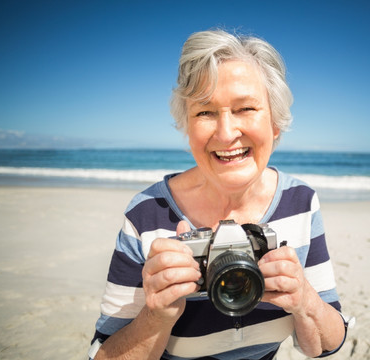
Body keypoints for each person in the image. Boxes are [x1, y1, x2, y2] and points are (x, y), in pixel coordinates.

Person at [89, 29, 351, 360]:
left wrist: (304, 300)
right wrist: (156, 316)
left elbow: (325, 346)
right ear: (187, 126)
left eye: (245, 108)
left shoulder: (300, 202)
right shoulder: (147, 215)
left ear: (275, 123)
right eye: (205, 112)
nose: (226, 134)